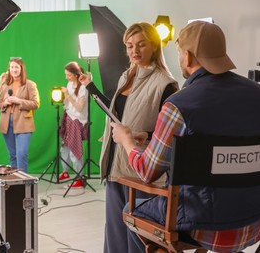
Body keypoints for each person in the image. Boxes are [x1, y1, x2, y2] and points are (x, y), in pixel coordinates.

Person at [111, 21, 260, 252]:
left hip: (200, 226)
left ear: (187, 57)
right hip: (253, 221)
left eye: (179, 52)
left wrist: (127, 141)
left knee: (129, 210)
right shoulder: (256, 94)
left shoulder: (178, 106)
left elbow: (147, 171)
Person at [79, 22, 178, 252]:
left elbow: (174, 134)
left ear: (154, 46)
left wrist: (147, 135)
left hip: (141, 172)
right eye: (130, 45)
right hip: (116, 168)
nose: (135, 51)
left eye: (141, 44)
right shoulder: (126, 76)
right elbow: (119, 115)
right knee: (115, 236)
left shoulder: (165, 84)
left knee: (138, 238)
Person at [0, 58, 40, 173]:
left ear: (21, 68)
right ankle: (15, 181)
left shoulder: (30, 84)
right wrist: (4, 103)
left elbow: (36, 104)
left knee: (21, 155)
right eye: (12, 67)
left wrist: (19, 100)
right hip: (6, 124)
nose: (14, 69)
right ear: (9, 69)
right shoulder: (5, 85)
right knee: (13, 155)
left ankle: (23, 183)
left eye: (16, 67)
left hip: (23, 123)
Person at [58, 62, 88, 188]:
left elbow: (80, 108)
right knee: (64, 148)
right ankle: (66, 171)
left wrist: (68, 95)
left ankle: (79, 177)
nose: (67, 78)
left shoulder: (83, 88)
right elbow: (67, 104)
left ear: (76, 75)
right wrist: (64, 97)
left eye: (69, 75)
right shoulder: (69, 84)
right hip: (68, 118)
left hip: (77, 120)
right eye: (66, 75)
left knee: (74, 150)